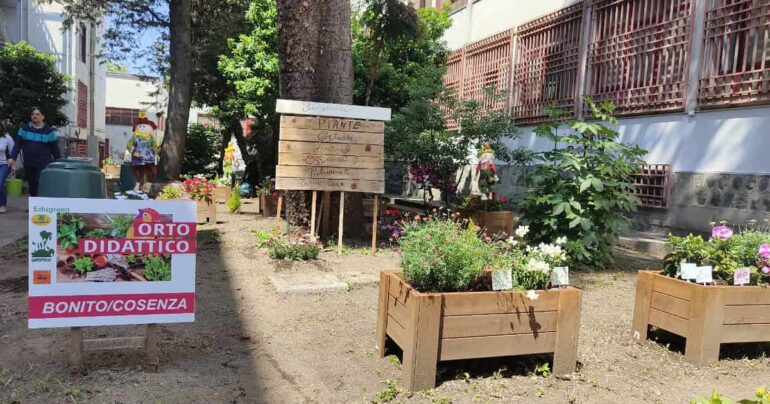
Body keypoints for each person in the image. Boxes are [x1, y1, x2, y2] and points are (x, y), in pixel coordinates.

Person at [8, 107, 61, 197]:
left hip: (43, 162)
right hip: (29, 162)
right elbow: (17, 144)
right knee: (32, 184)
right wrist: (12, 158)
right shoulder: (24, 129)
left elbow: (54, 148)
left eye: (37, 114)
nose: (34, 116)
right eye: (33, 114)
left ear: (43, 117)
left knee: (40, 182)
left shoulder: (49, 131)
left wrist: (59, 161)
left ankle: (41, 205)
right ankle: (33, 205)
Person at [126, 112, 158, 192]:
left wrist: (156, 154)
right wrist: (129, 153)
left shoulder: (150, 138)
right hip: (138, 155)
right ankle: (137, 185)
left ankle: (147, 186)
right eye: (140, 126)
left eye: (144, 126)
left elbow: (154, 146)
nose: (142, 128)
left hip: (148, 156)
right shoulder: (135, 136)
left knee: (150, 170)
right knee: (138, 170)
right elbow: (130, 144)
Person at [0, 123, 15, 213]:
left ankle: (2, 205)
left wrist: (13, 165)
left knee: (0, 183)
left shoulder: (7, 138)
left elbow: (13, 151)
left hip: (4, 164)